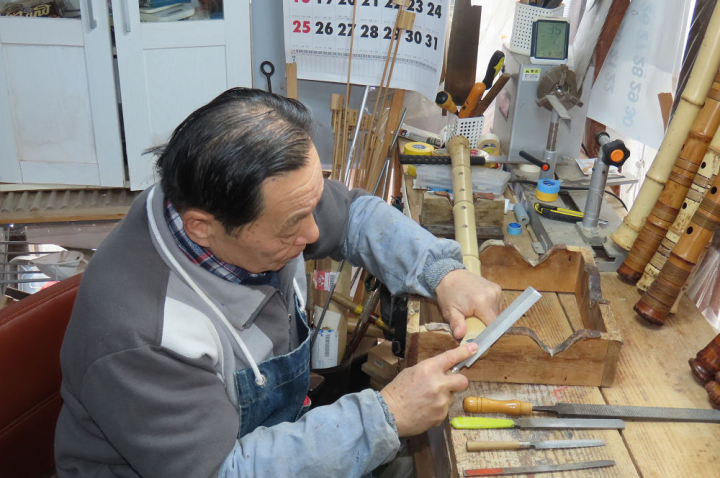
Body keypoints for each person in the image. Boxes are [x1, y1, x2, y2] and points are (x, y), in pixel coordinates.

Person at [54, 88, 502, 477]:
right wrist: (387, 416)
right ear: (202, 227)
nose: (315, 233)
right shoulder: (142, 336)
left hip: (270, 438)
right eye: (292, 224)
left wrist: (440, 271)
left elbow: (353, 215)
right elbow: (224, 471)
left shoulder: (244, 198)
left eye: (311, 205)